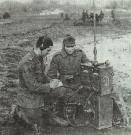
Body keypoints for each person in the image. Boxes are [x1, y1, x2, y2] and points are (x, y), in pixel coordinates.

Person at [13, 36, 68, 132]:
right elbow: (32, 86)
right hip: (29, 97)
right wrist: (49, 86)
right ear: (41, 47)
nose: (49, 53)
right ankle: (19, 112)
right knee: (36, 123)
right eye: (48, 50)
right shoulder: (27, 63)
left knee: (61, 90)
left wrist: (51, 81)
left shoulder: (39, 57)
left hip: (39, 92)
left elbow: (42, 75)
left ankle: (48, 113)